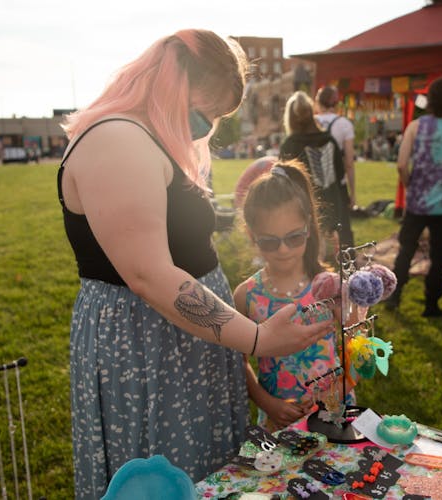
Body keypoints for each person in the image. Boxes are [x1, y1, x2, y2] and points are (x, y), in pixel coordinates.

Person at [56, 29, 333, 498]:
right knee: (166, 479)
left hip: (181, 345)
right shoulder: (117, 139)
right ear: (172, 80)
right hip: (148, 348)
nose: (206, 129)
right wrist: (261, 338)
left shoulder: (144, 137)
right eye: (207, 113)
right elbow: (150, 275)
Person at [234, 160, 354, 431]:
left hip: (332, 412)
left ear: (308, 228)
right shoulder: (246, 296)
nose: (284, 249)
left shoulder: (327, 287)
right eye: (270, 241)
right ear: (253, 236)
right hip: (279, 420)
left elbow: (356, 344)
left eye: (294, 238)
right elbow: (237, 363)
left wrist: (344, 382)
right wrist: (266, 402)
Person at [385, 78, 442, 317]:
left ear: (430, 100)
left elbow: (402, 165)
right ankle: (431, 305)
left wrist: (410, 187)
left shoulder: (415, 126)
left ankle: (395, 295)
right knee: (439, 256)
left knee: (406, 250)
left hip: (417, 202)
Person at [280, 90, 353, 255]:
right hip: (333, 207)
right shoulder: (329, 140)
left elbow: (283, 183)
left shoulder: (290, 145)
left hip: (304, 212)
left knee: (311, 261)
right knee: (336, 262)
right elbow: (340, 175)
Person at [314, 85, 356, 248]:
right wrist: (352, 193)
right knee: (343, 229)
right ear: (336, 102)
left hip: (315, 182)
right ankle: (347, 264)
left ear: (318, 102)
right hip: (337, 185)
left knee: (317, 227)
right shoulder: (344, 124)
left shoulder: (312, 122)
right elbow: (349, 163)